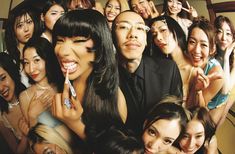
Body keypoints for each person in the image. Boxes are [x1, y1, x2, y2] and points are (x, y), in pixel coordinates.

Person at [51, 9, 127, 151]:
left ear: (100, 47)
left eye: (78, 41)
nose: (62, 51)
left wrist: (76, 125)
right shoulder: (55, 84)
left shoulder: (115, 99)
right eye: (59, 40)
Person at [112, 10, 183, 136]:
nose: (133, 34)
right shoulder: (103, 75)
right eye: (123, 27)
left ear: (146, 40)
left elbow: (176, 116)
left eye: (139, 28)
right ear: (112, 37)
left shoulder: (168, 69)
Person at [19, 37, 65, 130]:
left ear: (47, 59)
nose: (31, 69)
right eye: (26, 63)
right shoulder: (25, 97)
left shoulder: (64, 85)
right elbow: (33, 142)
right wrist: (32, 116)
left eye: (36, 60)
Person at [186, 17, 225, 125]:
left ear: (212, 49)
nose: (196, 50)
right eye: (192, 42)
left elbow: (199, 109)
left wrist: (198, 91)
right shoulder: (186, 57)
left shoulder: (217, 74)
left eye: (203, 45)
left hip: (213, 104)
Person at [149, 15, 196, 103]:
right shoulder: (158, 67)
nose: (158, 38)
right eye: (154, 34)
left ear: (175, 30)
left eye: (163, 30)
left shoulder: (195, 69)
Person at [4, 1, 41, 87]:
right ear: (13, 30)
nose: (26, 29)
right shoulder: (7, 58)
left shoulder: (42, 48)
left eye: (29, 22)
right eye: (20, 25)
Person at [0, 52, 28, 153]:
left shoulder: (31, 95)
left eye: (3, 78)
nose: (0, 88)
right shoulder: (2, 118)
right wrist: (25, 136)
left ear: (12, 73)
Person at [214, 15, 235, 127]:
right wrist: (226, 58)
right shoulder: (212, 59)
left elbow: (227, 92)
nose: (223, 38)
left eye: (228, 33)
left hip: (225, 102)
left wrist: (227, 58)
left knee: (225, 110)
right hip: (211, 106)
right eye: (219, 31)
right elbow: (224, 91)